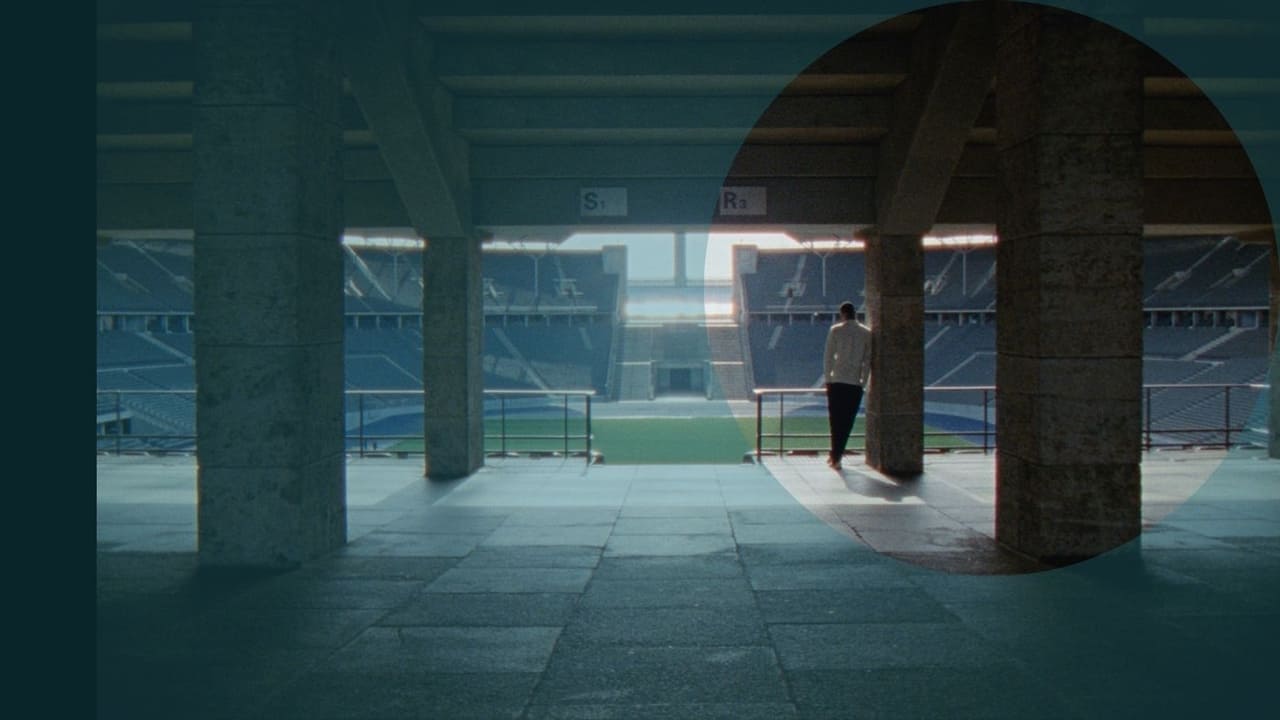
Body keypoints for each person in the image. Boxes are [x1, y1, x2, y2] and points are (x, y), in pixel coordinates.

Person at [823, 301, 872, 470]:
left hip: (837, 381)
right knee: (847, 421)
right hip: (854, 383)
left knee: (835, 420)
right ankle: (836, 455)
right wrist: (863, 381)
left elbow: (829, 356)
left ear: (842, 314)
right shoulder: (866, 333)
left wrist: (828, 379)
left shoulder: (836, 330)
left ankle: (835, 455)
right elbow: (867, 360)